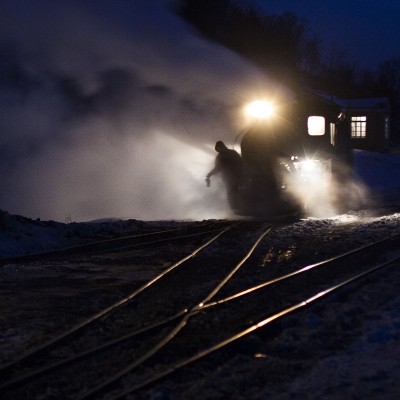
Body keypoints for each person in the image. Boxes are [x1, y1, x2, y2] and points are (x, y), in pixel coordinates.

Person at [206, 141, 244, 209]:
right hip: (233, 178)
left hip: (235, 177)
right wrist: (210, 174)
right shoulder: (231, 153)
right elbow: (217, 168)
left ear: (221, 147)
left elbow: (217, 168)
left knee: (233, 193)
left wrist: (210, 174)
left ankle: (237, 207)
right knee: (233, 192)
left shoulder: (222, 156)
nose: (218, 151)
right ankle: (236, 208)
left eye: (218, 149)